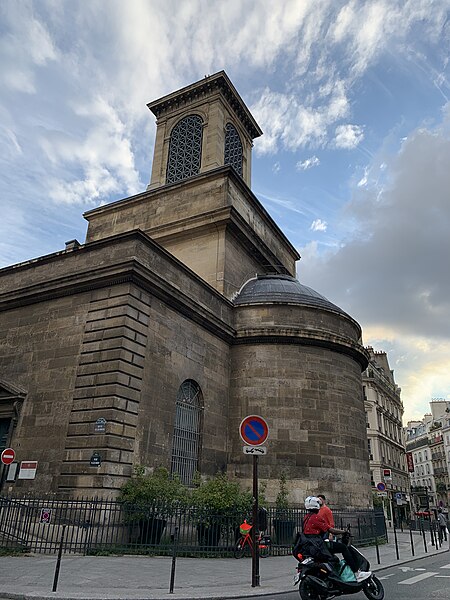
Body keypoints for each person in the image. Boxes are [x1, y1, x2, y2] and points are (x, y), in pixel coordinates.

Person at [298, 496, 371, 583]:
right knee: (343, 548)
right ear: (316, 506)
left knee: (333, 554)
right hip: (318, 546)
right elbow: (330, 529)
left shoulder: (305, 518)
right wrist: (343, 532)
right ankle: (356, 572)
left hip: (310, 546)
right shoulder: (316, 518)